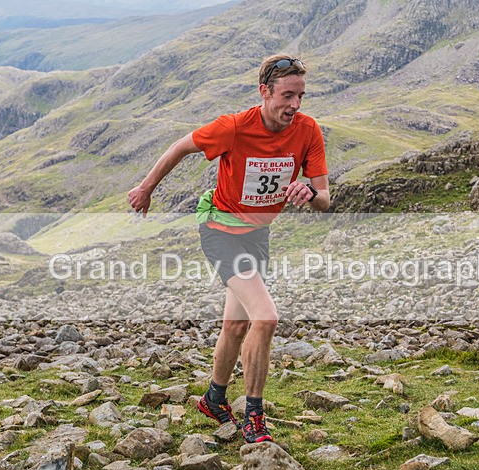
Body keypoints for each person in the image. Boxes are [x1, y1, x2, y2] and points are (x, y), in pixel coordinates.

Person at [128, 55, 330, 444]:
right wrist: (146, 188)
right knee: (266, 318)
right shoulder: (235, 127)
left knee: (236, 325)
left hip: (257, 236)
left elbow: (324, 198)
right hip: (220, 231)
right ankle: (254, 414)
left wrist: (310, 193)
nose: (295, 105)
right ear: (264, 92)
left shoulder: (307, 131)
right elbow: (180, 147)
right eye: (287, 95)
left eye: (301, 96)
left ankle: (213, 398)